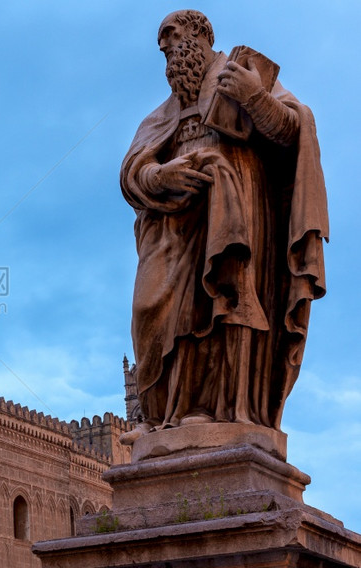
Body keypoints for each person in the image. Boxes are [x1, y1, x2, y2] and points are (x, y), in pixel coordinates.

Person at [119, 10, 327, 444]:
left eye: (172, 35)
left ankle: (219, 412)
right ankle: (162, 417)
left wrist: (255, 99)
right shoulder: (163, 114)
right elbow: (133, 171)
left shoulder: (244, 71)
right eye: (162, 42)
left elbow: (294, 130)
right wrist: (161, 176)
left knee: (227, 303)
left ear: (200, 33)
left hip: (238, 213)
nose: (165, 47)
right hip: (174, 227)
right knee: (149, 311)